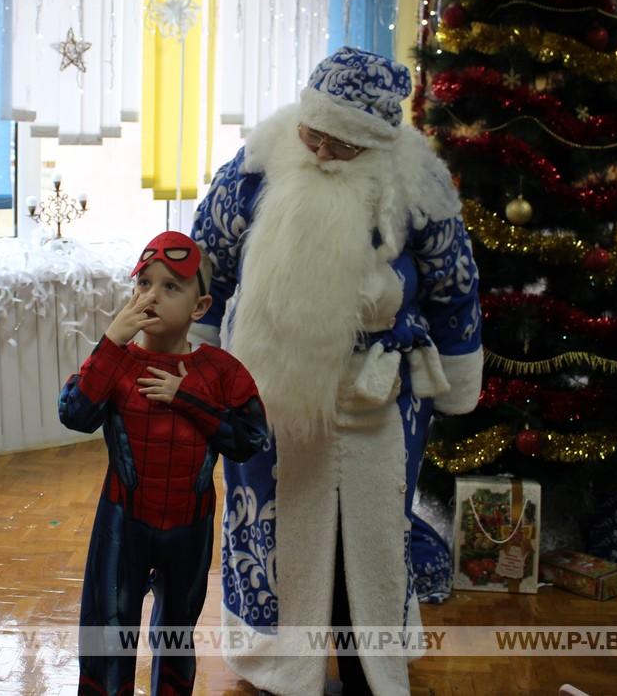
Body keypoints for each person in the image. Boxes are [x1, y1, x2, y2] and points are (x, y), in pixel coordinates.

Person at [191, 47, 484, 695]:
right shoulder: (256, 166)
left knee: (373, 532)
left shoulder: (419, 187)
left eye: (340, 143)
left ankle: (369, 659)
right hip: (269, 387)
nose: (320, 151)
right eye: (312, 133)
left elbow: (454, 283)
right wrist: (197, 353)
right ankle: (276, 662)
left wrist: (460, 370)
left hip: (381, 393)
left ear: (378, 143)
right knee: (278, 520)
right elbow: (206, 258)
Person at [58, 231, 269, 696]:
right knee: (109, 633)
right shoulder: (115, 362)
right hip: (122, 524)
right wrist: (112, 339)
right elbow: (74, 414)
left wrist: (187, 398)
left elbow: (252, 439)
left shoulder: (221, 371)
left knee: (176, 636)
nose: (152, 296)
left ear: (200, 306)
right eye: (143, 284)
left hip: (189, 529)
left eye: (171, 286)